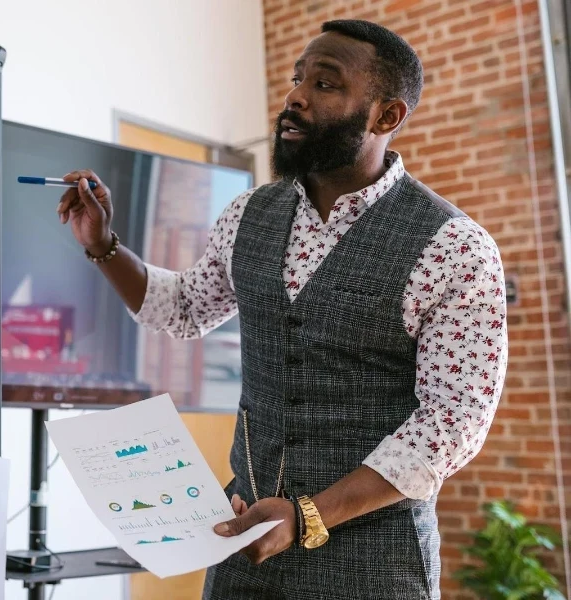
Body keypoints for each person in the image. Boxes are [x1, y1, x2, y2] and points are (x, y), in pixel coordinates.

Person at [55, 19, 507, 600]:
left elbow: (452, 423)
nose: (295, 96)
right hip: (244, 546)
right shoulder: (249, 214)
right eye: (297, 78)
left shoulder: (456, 247)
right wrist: (103, 246)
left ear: (386, 117)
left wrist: (308, 515)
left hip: (375, 564)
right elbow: (185, 308)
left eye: (325, 84)